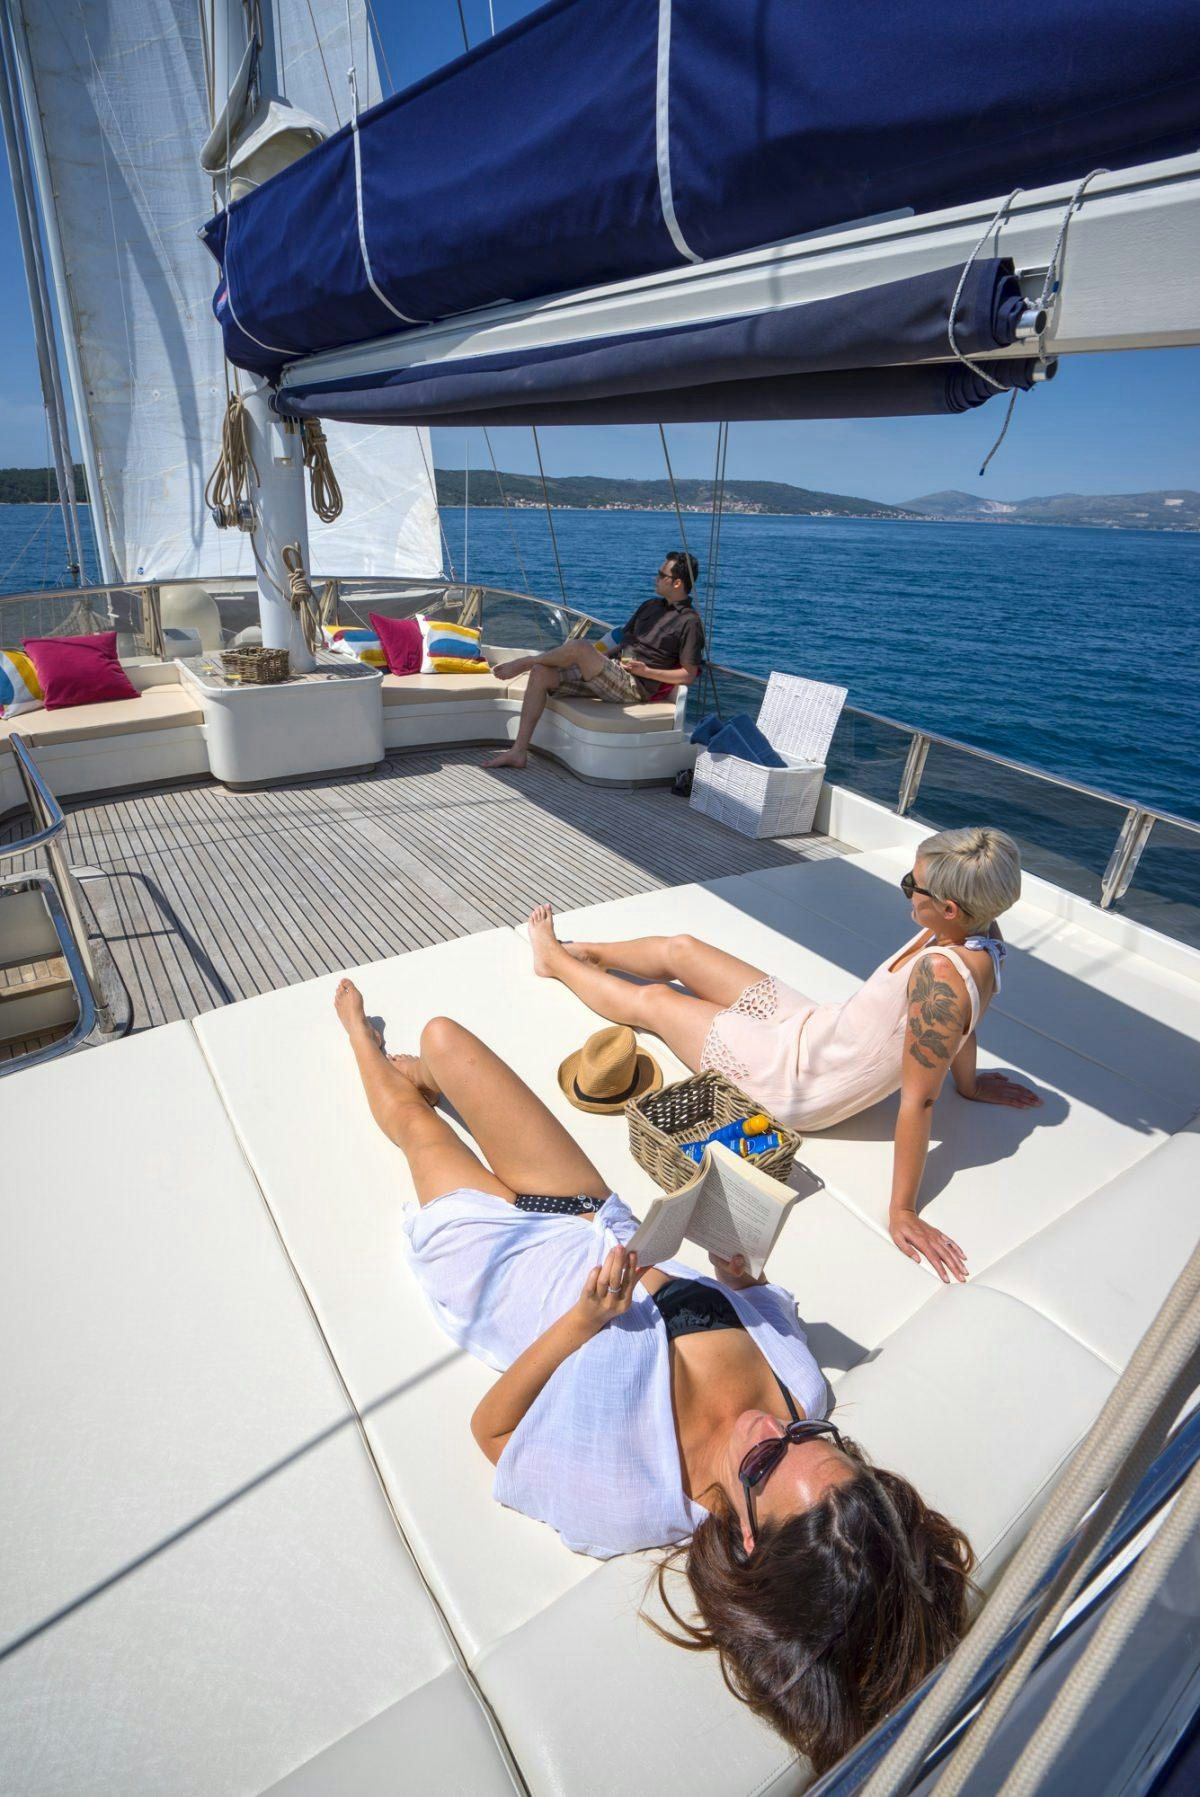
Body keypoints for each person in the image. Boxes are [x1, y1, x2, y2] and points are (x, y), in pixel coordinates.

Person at [333, 981, 975, 1775]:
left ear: (748, 1538)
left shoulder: (634, 1496)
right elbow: (763, 1310)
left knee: (412, 1121)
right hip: (593, 1217)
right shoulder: (803, 1393)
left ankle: (363, 1047)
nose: (771, 1426)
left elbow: (490, 1428)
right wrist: (740, 1275)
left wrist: (580, 1325)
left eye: (765, 1461)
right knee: (442, 1036)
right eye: (814, 1437)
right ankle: (423, 1073)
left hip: (495, 1263)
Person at [525, 826, 1043, 1283]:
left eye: (913, 885)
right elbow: (962, 1025)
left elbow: (921, 1099)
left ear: (950, 909)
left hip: (797, 1080)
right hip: (816, 1030)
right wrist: (970, 1085)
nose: (906, 888)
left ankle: (555, 963)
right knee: (682, 949)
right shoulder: (979, 931)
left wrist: (902, 1211)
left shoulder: (942, 976)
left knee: (657, 1003)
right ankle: (589, 953)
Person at [483, 550, 705, 770]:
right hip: (613, 672)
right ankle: (518, 752)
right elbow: (624, 642)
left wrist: (645, 671)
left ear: (677, 583)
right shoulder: (650, 606)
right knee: (541, 673)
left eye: (661, 575)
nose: (656, 578)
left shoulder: (690, 622)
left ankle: (524, 663)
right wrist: (595, 659)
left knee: (580, 647)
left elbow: (688, 674)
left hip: (635, 686)